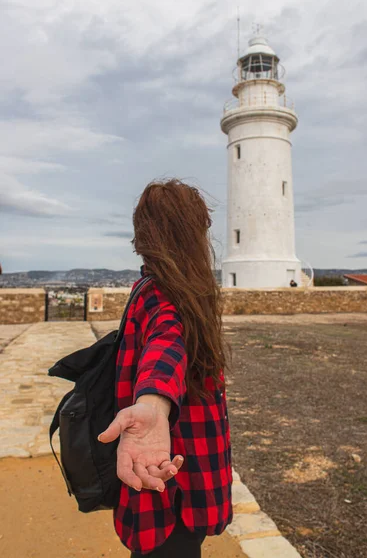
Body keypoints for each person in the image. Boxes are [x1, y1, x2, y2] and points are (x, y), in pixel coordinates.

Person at [99, 179, 232, 557]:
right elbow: (167, 343)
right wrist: (154, 405)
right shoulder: (169, 296)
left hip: (161, 474)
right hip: (174, 483)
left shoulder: (148, 288)